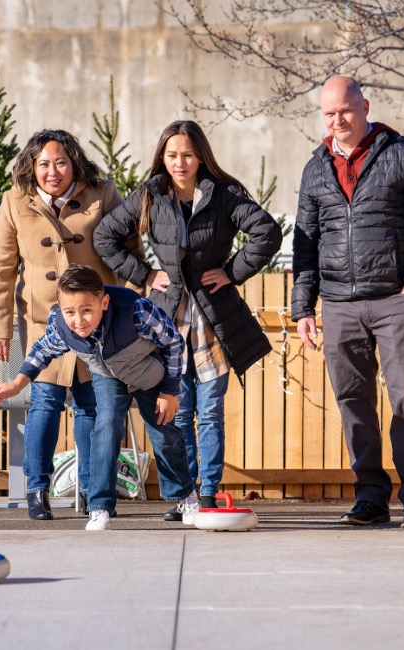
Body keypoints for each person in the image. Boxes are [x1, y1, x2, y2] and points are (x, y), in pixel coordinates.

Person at [94, 120, 282, 520]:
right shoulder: (150, 193)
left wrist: (232, 271)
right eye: (172, 155)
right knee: (178, 410)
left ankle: (209, 494)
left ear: (201, 157)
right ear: (162, 156)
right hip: (167, 316)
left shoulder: (226, 193)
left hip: (214, 315)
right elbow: (104, 237)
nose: (180, 163)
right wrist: (144, 275)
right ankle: (187, 497)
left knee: (210, 410)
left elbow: (267, 232)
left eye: (188, 155)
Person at [291, 76, 404, 530]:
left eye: (344, 110)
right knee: (353, 402)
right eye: (328, 113)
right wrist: (303, 308)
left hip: (394, 300)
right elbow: (305, 244)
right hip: (339, 303)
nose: (337, 120)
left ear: (364, 106)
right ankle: (371, 498)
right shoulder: (316, 167)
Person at [0, 129, 141, 521]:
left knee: (92, 403)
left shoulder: (102, 195)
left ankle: (92, 488)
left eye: (60, 162)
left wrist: (133, 313)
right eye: (43, 164)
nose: (52, 171)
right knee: (45, 402)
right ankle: (37, 489)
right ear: (31, 167)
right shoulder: (14, 202)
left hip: (96, 321)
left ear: (73, 163)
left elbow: (130, 253)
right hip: (43, 320)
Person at [0, 264, 201, 531]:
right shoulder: (61, 325)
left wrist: (170, 391)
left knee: (164, 433)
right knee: (105, 426)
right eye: (70, 312)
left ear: (104, 301)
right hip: (107, 376)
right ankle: (99, 507)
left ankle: (186, 498)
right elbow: (41, 351)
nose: (79, 320)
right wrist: (17, 383)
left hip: (148, 372)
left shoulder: (136, 311)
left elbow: (173, 342)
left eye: (87, 310)